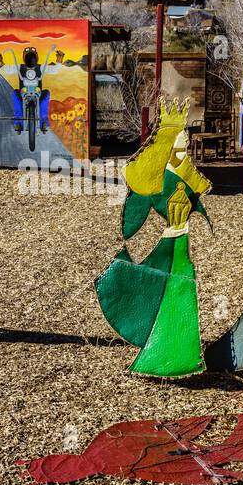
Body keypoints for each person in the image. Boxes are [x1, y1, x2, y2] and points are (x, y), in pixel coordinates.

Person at [95, 99, 212, 377]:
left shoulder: (180, 177)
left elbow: (197, 184)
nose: (184, 158)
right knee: (171, 292)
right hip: (172, 242)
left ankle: (177, 354)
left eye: (185, 152)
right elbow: (136, 219)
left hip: (178, 244)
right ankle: (164, 355)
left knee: (179, 294)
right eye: (179, 151)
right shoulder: (158, 182)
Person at [3, 45, 60, 133]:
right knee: (15, 94)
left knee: (46, 94)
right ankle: (18, 123)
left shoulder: (40, 67)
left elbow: (53, 70)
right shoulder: (20, 67)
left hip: (37, 92)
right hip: (23, 92)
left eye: (32, 57)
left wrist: (59, 58)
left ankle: (43, 122)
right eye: (29, 57)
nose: (31, 59)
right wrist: (0, 62)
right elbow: (8, 70)